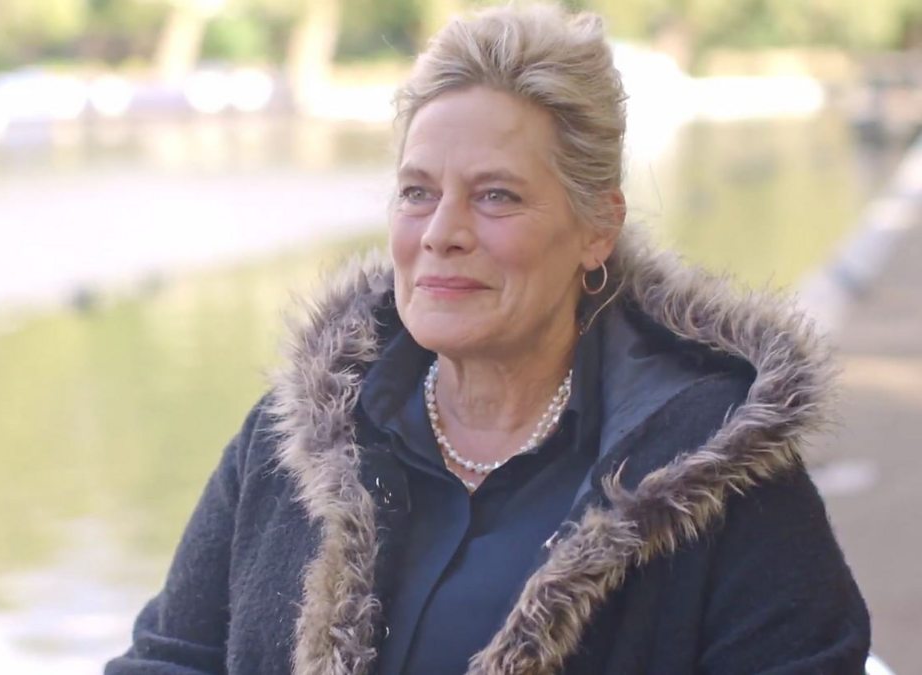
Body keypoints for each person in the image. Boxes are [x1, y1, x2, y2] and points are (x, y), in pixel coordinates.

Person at [105, 4, 870, 674]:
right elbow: (169, 659)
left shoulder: (713, 464)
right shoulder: (290, 440)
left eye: (496, 195)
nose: (442, 233)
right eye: (418, 192)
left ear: (597, 228)